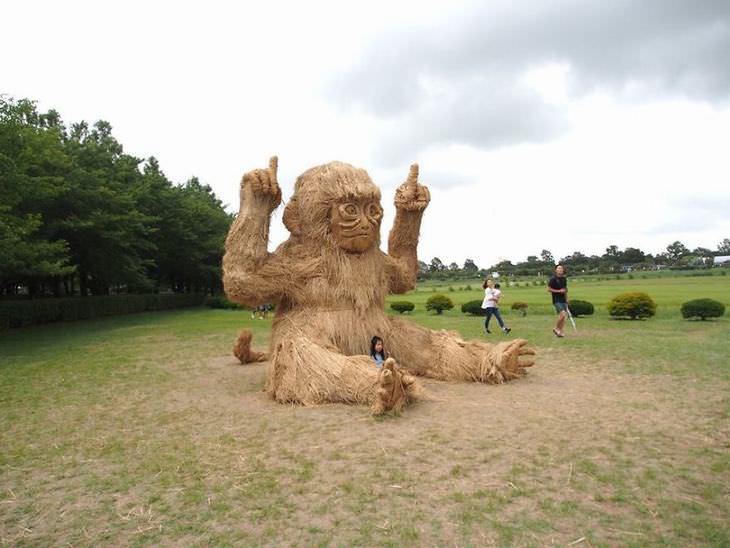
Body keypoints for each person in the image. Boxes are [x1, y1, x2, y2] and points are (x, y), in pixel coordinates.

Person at [547, 264, 568, 337]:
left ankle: (561, 332)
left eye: (561, 268)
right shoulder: (553, 279)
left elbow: (565, 290)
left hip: (563, 300)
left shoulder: (564, 279)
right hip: (557, 300)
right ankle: (556, 328)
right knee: (562, 315)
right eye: (558, 268)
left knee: (564, 317)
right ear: (556, 270)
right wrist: (559, 291)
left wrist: (567, 299)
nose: (560, 270)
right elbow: (549, 289)